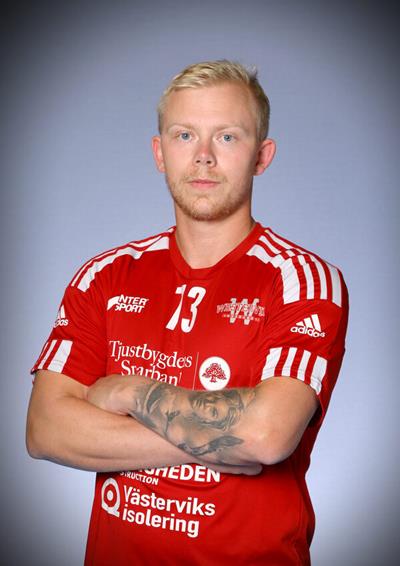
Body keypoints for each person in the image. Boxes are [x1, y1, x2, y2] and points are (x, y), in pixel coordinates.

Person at [27, 60, 348, 565]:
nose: (203, 156)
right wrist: (218, 439)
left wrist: (128, 392)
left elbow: (266, 435)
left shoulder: (301, 280)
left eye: (227, 137)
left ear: (261, 156)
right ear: (160, 152)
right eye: (184, 135)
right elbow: (45, 429)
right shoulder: (104, 276)